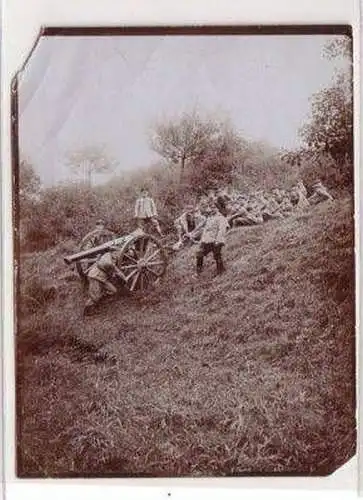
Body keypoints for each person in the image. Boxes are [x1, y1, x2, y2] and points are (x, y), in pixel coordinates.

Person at [83, 249, 125, 315]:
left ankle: (101, 298)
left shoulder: (107, 255)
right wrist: (125, 279)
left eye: (118, 253)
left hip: (103, 278)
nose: (118, 255)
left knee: (113, 290)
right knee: (95, 296)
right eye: (116, 253)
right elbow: (117, 271)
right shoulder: (109, 262)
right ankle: (87, 311)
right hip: (95, 276)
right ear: (113, 252)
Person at [195, 204, 229, 276]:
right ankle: (198, 271)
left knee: (217, 255)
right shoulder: (209, 218)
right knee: (199, 253)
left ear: (218, 209)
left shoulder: (221, 218)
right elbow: (205, 230)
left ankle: (221, 271)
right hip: (207, 240)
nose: (212, 209)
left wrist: (218, 240)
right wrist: (202, 240)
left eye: (214, 208)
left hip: (216, 240)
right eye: (211, 208)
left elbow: (222, 230)